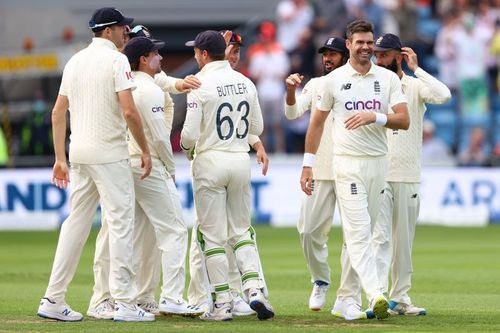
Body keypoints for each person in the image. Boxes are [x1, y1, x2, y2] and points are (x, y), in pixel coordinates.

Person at [37, 7, 154, 322]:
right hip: (110, 153)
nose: (126, 35)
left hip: (79, 155)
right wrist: (144, 149)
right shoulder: (116, 59)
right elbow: (129, 112)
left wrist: (60, 158)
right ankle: (126, 303)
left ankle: (53, 298)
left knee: (75, 224)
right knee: (120, 225)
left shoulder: (75, 60)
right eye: (123, 30)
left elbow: (58, 112)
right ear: (109, 31)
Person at [87, 24, 202, 319]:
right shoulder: (146, 89)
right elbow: (159, 138)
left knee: (135, 234)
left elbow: (166, 81)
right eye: (154, 53)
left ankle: (136, 296)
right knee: (174, 230)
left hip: (126, 165)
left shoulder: (128, 84)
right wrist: (170, 168)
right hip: (146, 165)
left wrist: (180, 84)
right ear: (142, 59)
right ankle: (170, 297)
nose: (160, 57)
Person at [300, 20, 409, 320]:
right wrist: (307, 166)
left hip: (378, 164)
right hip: (346, 164)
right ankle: (375, 293)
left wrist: (375, 116)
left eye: (369, 42)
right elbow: (316, 123)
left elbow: (404, 120)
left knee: (360, 236)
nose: (365, 47)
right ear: (348, 44)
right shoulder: (331, 81)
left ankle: (346, 299)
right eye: (359, 42)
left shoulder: (387, 80)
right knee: (359, 232)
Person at [181, 30, 273, 321]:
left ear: (205, 54)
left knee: (211, 236)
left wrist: (186, 148)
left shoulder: (200, 83)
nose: (195, 55)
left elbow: (189, 134)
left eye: (196, 51)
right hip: (238, 160)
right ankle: (253, 288)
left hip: (210, 161)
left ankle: (221, 303)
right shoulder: (245, 81)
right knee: (241, 230)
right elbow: (256, 125)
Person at [372, 33, 451, 316]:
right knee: (380, 239)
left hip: (407, 174)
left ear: (399, 55)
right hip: (378, 173)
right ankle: (378, 296)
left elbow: (444, 94)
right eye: (376, 54)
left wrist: (417, 69)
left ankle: (401, 297)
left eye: (383, 54)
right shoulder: (371, 86)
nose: (377, 59)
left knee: (403, 242)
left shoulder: (414, 86)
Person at [284, 36, 348, 312]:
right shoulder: (316, 84)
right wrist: (290, 91)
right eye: (325, 54)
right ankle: (321, 280)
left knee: (356, 236)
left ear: (346, 56)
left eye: (333, 54)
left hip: (350, 169)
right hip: (320, 169)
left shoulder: (358, 85)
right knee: (309, 230)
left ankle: (350, 293)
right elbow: (293, 113)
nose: (327, 58)